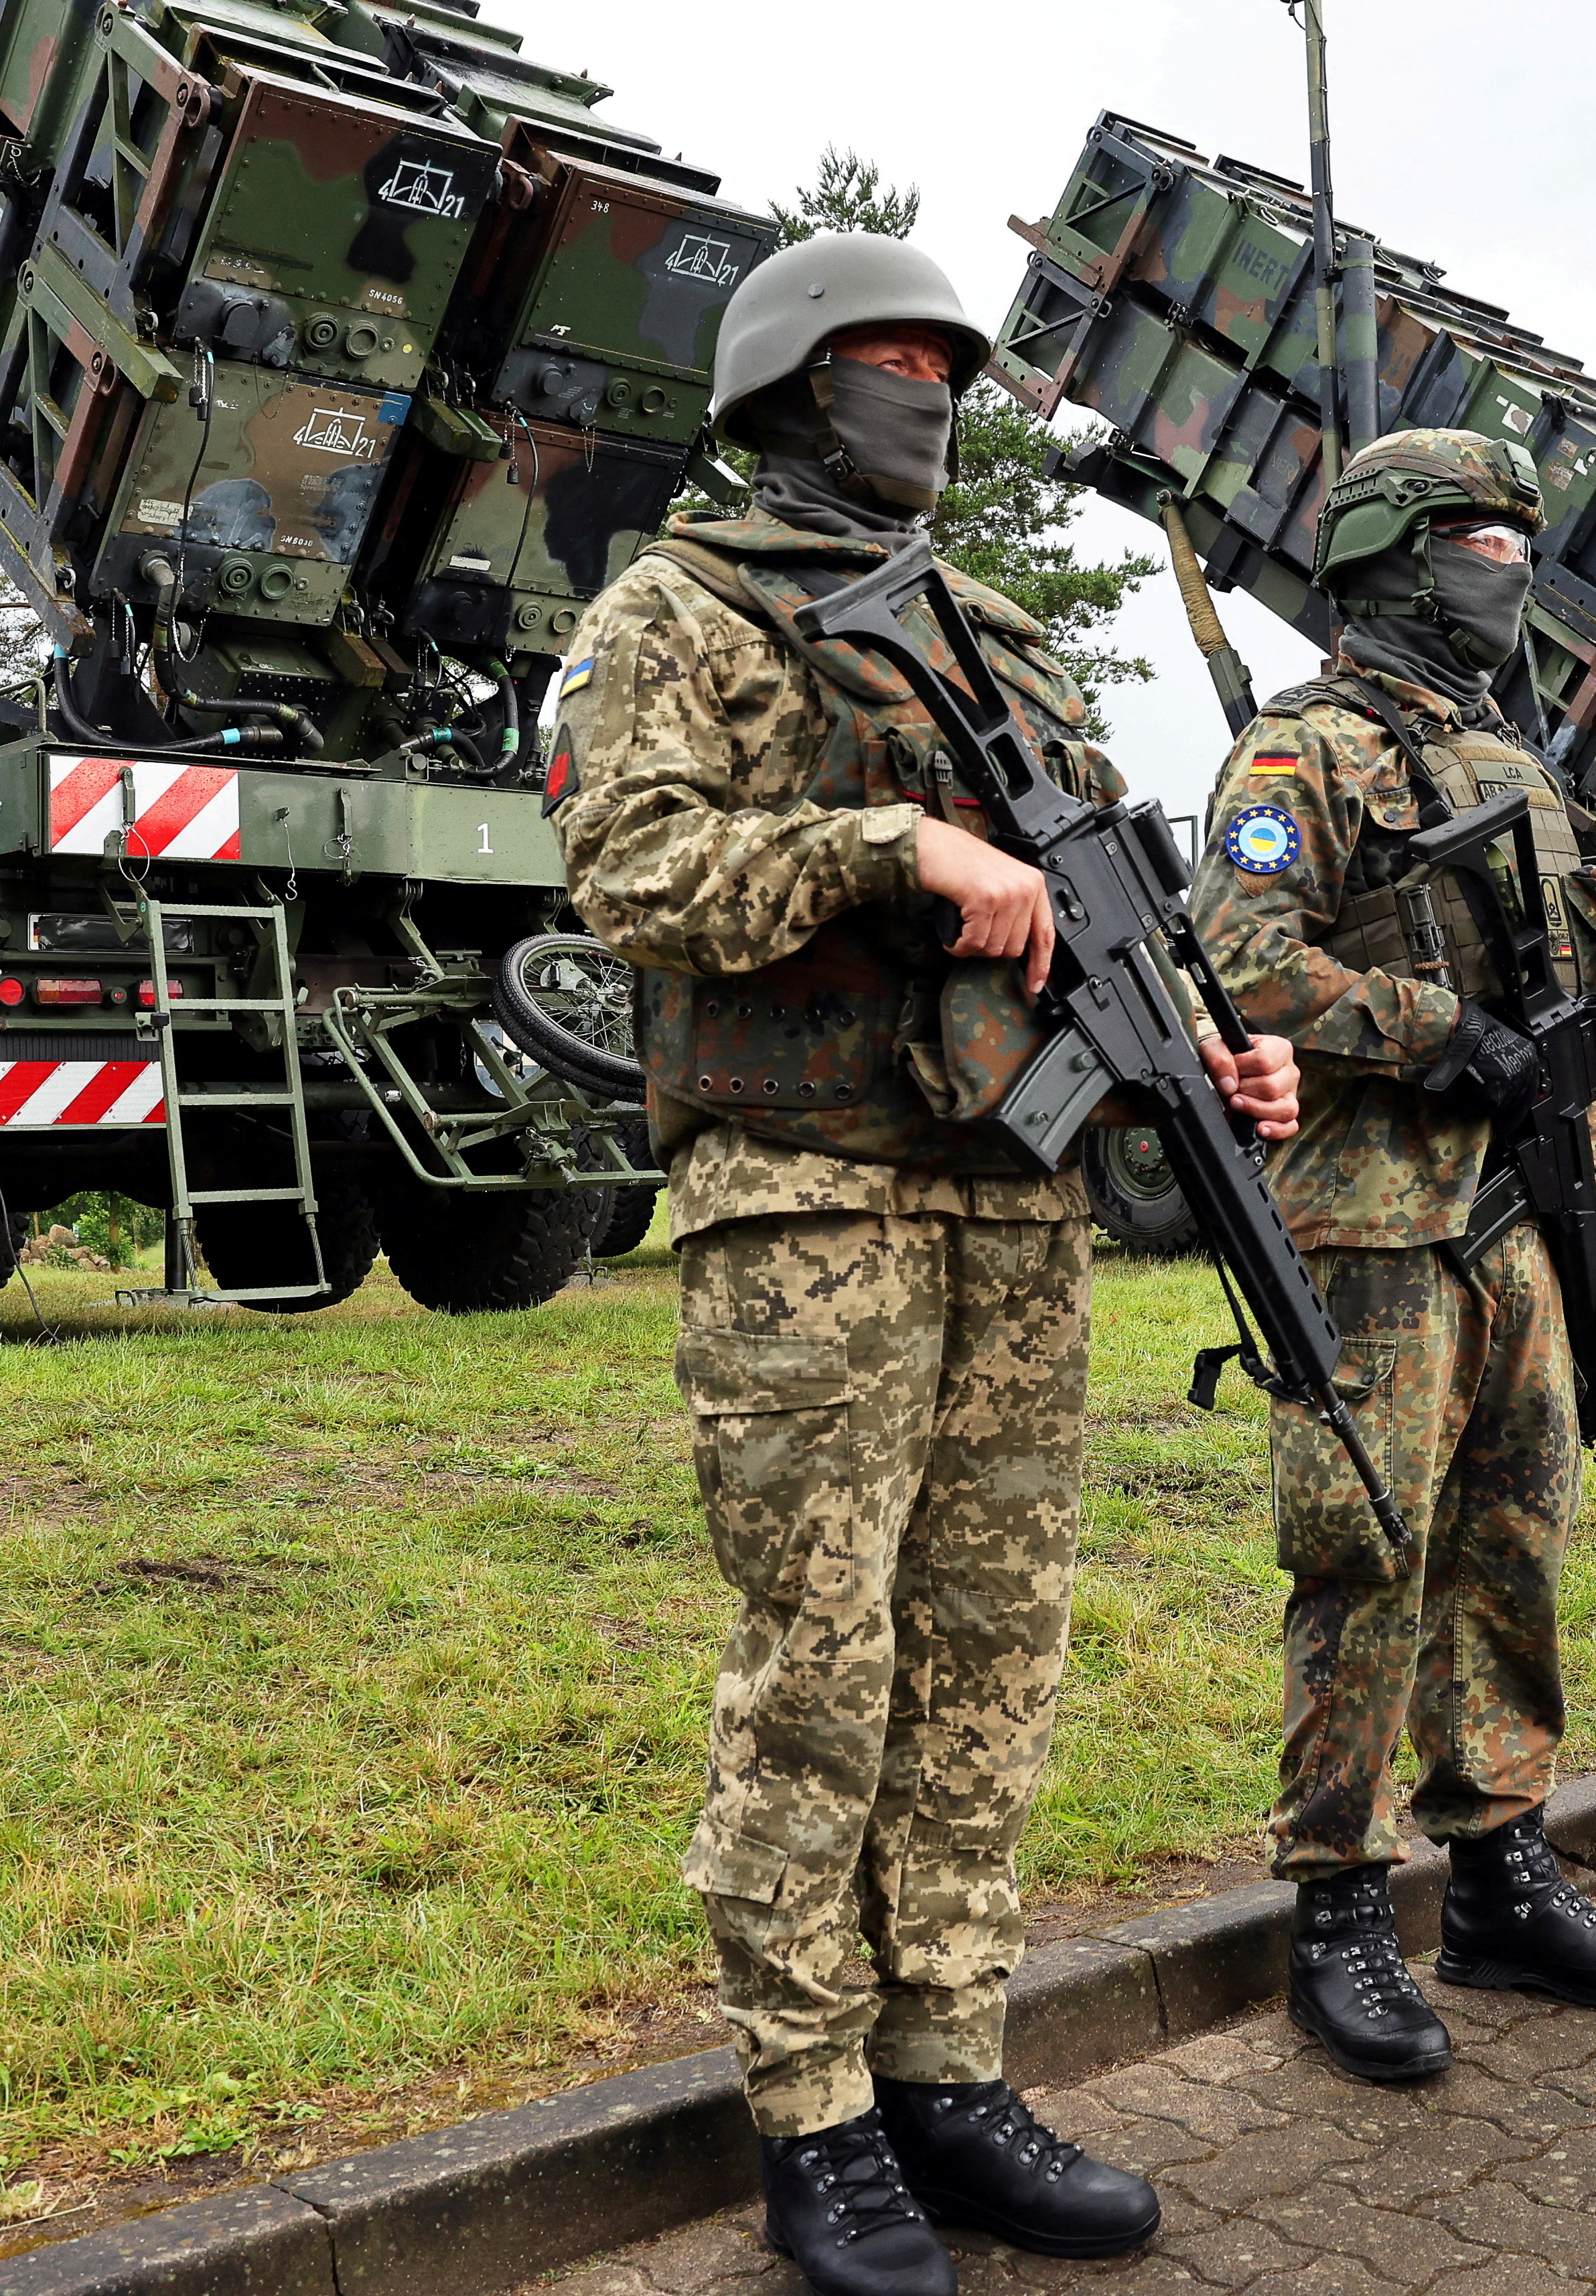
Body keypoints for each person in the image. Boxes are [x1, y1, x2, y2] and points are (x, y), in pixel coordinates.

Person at [551, 230, 1297, 2296]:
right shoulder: (672, 610)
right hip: (807, 1202)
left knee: (990, 1647)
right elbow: (631, 868)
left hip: (1010, 1206)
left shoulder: (996, 633)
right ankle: (808, 2109)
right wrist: (891, 850)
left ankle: (950, 2060)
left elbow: (1098, 895)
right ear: (793, 381)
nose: (930, 393)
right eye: (891, 357)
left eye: (949, 364)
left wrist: (1214, 1049)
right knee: (821, 1655)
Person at [1190, 425, 1596, 2084]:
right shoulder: (1302, 752)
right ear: (1401, 553)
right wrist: (1429, 1031)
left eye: (1515, 536)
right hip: (1375, 1221)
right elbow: (1242, 964)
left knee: (1511, 1537)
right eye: (1479, 532)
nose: (1509, 563)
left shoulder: (1513, 759)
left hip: (1516, 1211)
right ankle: (1336, 1902)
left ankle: (1498, 1867)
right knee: (1363, 1553)